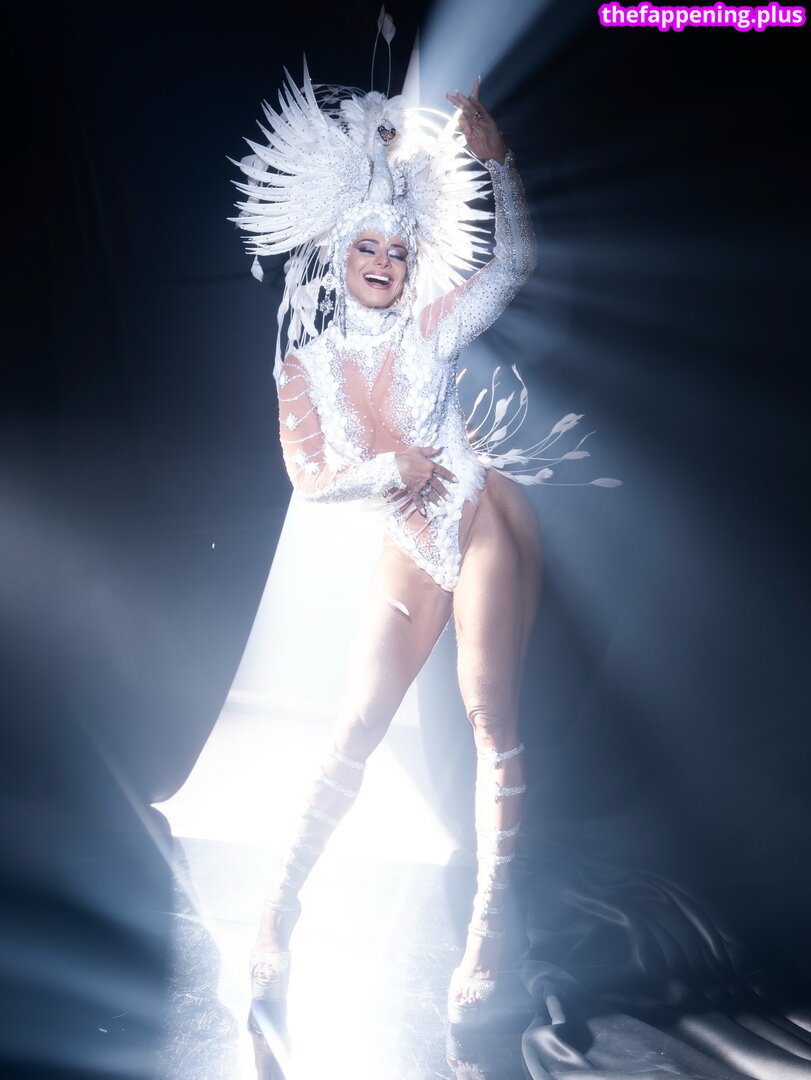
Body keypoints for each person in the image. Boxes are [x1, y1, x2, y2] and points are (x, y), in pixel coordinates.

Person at [233, 67, 597, 1026]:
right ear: (338, 255)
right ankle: (275, 914)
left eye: (398, 249)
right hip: (407, 537)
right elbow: (309, 481)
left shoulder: (430, 329)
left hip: (478, 522)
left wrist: (500, 170)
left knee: (487, 718)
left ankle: (486, 934)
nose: (384, 261)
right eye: (368, 246)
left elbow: (512, 267)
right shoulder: (303, 367)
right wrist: (390, 467)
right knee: (355, 726)